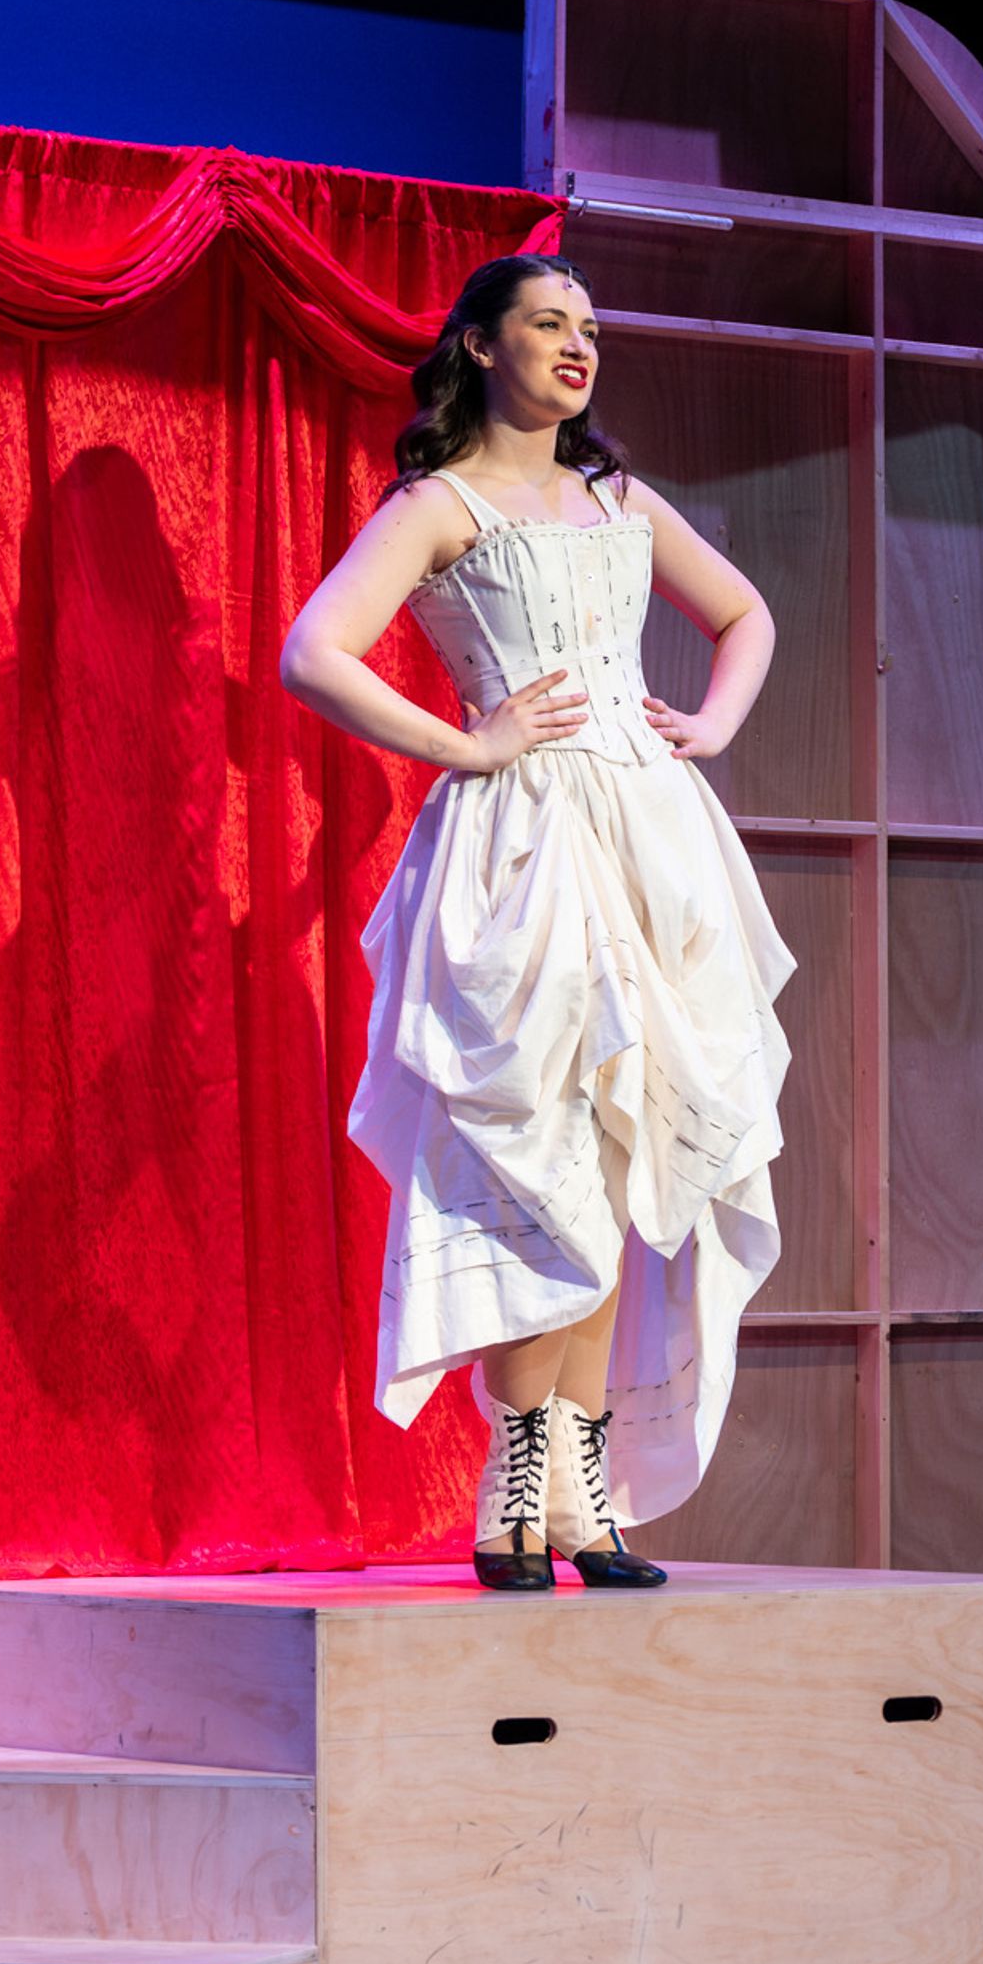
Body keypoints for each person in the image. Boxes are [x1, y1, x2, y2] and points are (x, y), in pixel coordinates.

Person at [278, 253, 794, 1593]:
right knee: (540, 1164)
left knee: (623, 1168)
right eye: (550, 324)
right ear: (482, 345)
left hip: (647, 838)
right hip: (523, 847)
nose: (579, 348)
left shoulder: (614, 494)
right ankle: (515, 1495)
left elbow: (742, 614)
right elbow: (313, 650)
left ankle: (577, 1498)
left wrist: (709, 726)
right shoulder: (440, 504)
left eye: (590, 329)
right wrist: (470, 739)